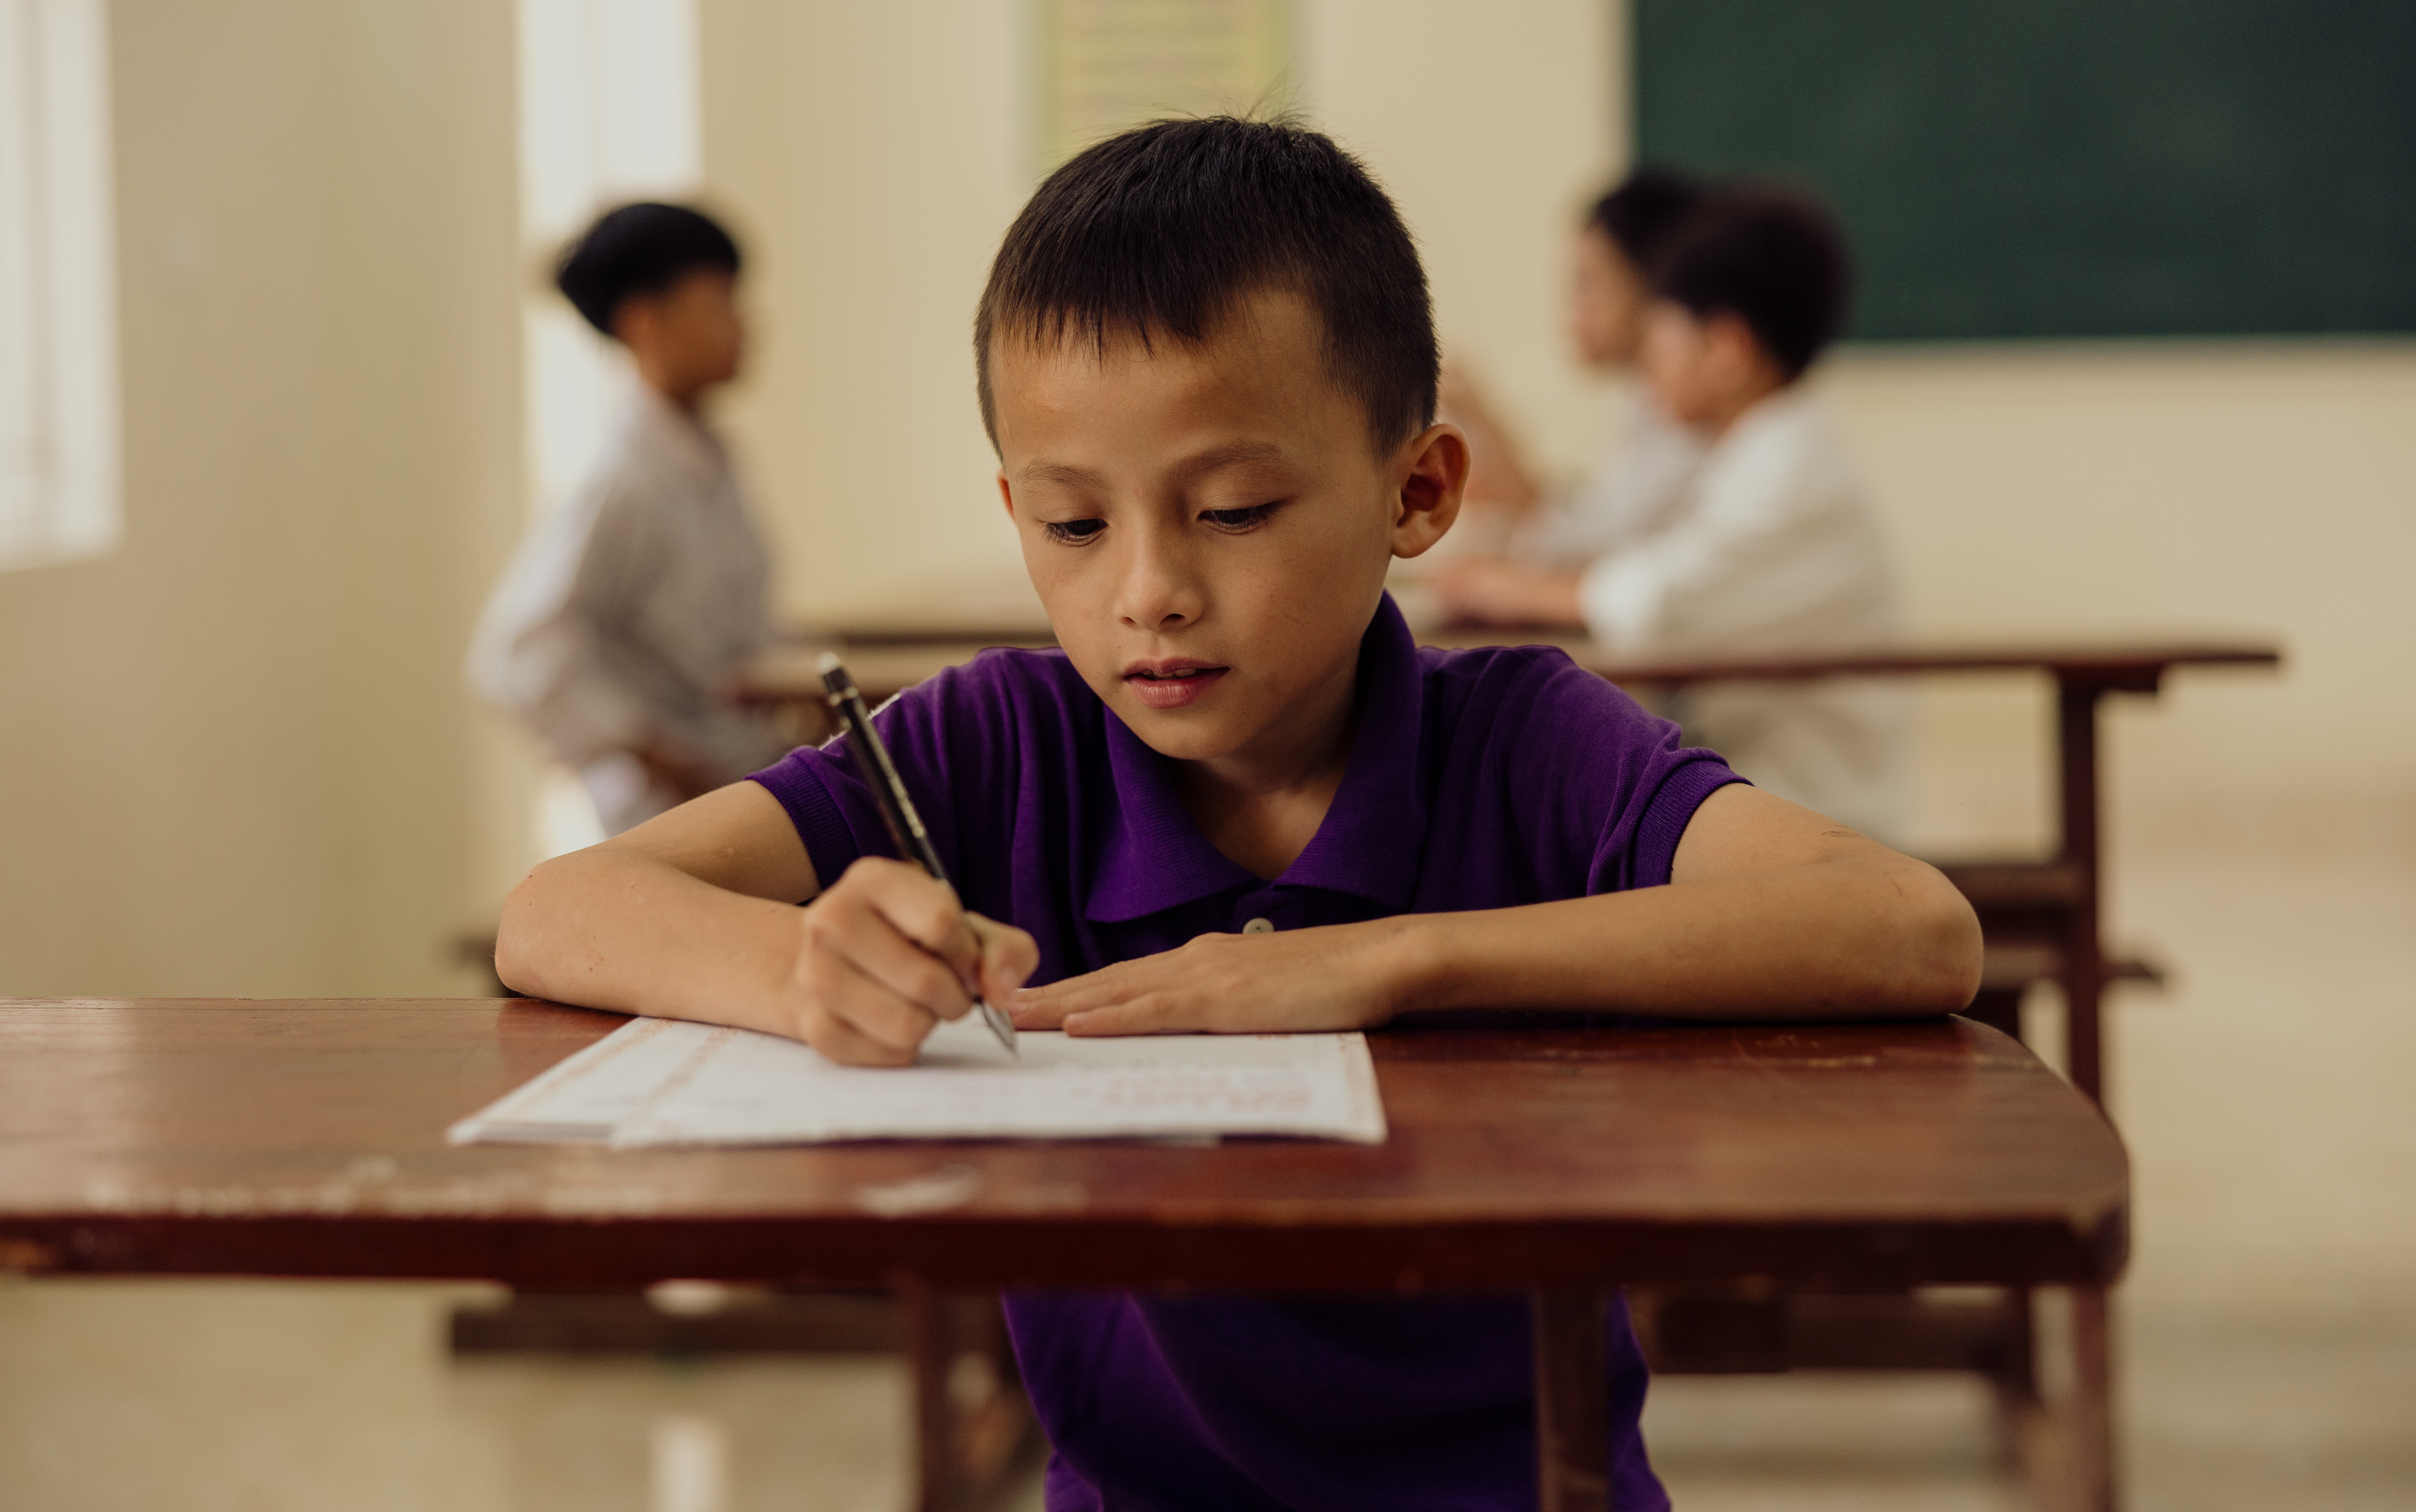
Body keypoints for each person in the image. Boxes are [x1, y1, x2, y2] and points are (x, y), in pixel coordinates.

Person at [494, 118, 1980, 1511]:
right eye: (1074, 524)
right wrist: (799, 965)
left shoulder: (1521, 735)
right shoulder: (1000, 742)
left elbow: (1907, 926)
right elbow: (556, 910)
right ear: (1016, 511)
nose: (1147, 590)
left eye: (1233, 509)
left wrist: (1397, 958)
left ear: (1419, 492)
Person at [1432, 187, 1911, 840]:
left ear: (1728, 350)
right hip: (1757, 777)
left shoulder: (1792, 471)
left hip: (1813, 806)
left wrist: (1510, 587)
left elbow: (1664, 596)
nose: (1650, 357)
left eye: (1663, 332)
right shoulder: (1747, 449)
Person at [469, 201, 790, 836]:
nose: (744, 325)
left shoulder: (709, 459)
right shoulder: (623, 482)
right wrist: (658, 756)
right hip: (676, 817)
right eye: (720, 302)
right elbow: (519, 653)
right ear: (647, 321)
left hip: (742, 781)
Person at [1441, 165, 1710, 561]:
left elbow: (1576, 550)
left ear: (1654, 284)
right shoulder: (1645, 405)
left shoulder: (1694, 425)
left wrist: (1481, 423)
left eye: (1590, 283)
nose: (1572, 310)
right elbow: (1583, 522)